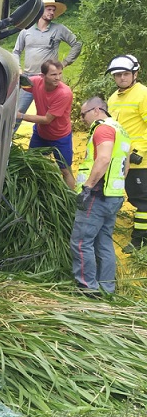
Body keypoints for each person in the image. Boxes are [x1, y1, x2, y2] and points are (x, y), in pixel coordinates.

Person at [71, 96, 130, 294]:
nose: (82, 119)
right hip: (114, 195)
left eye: (83, 114)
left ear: (97, 110)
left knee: (81, 242)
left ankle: (87, 288)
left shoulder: (102, 128)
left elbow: (103, 159)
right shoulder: (120, 130)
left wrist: (88, 187)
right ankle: (107, 288)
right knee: (103, 241)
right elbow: (126, 166)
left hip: (97, 195)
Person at [12, 0, 82, 128]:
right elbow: (16, 51)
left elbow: (77, 43)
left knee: (50, 116)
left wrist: (65, 63)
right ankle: (9, 144)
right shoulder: (26, 31)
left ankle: (47, 142)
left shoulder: (59, 29)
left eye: (53, 10)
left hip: (49, 81)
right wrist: (19, 68)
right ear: (39, 11)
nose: (52, 13)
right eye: (49, 9)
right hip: (28, 79)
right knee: (17, 114)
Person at [106, 54, 147, 252]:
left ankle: (140, 241)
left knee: (141, 200)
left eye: (125, 74)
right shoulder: (112, 99)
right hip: (119, 157)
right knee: (130, 197)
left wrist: (139, 151)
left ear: (135, 73)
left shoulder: (143, 94)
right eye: (117, 75)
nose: (121, 78)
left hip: (139, 159)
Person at [15, 58, 76, 189]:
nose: (58, 78)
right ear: (42, 76)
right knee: (31, 163)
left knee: (65, 171)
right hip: (41, 134)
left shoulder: (64, 93)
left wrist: (20, 116)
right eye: (53, 74)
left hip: (60, 137)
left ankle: (70, 200)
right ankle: (35, 190)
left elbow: (47, 120)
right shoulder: (36, 82)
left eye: (60, 73)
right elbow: (18, 82)